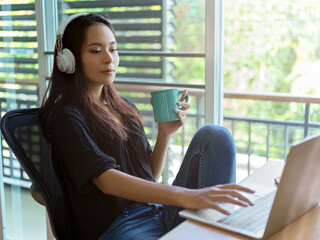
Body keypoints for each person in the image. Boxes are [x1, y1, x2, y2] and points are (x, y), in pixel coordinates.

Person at [39, 13, 255, 240]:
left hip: (158, 212)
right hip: (121, 227)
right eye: (96, 50)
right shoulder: (66, 116)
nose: (108, 58)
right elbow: (105, 180)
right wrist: (188, 196)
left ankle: (215, 227)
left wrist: (165, 134)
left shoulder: (124, 109)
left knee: (215, 136)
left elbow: (149, 175)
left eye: (112, 49)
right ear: (68, 59)